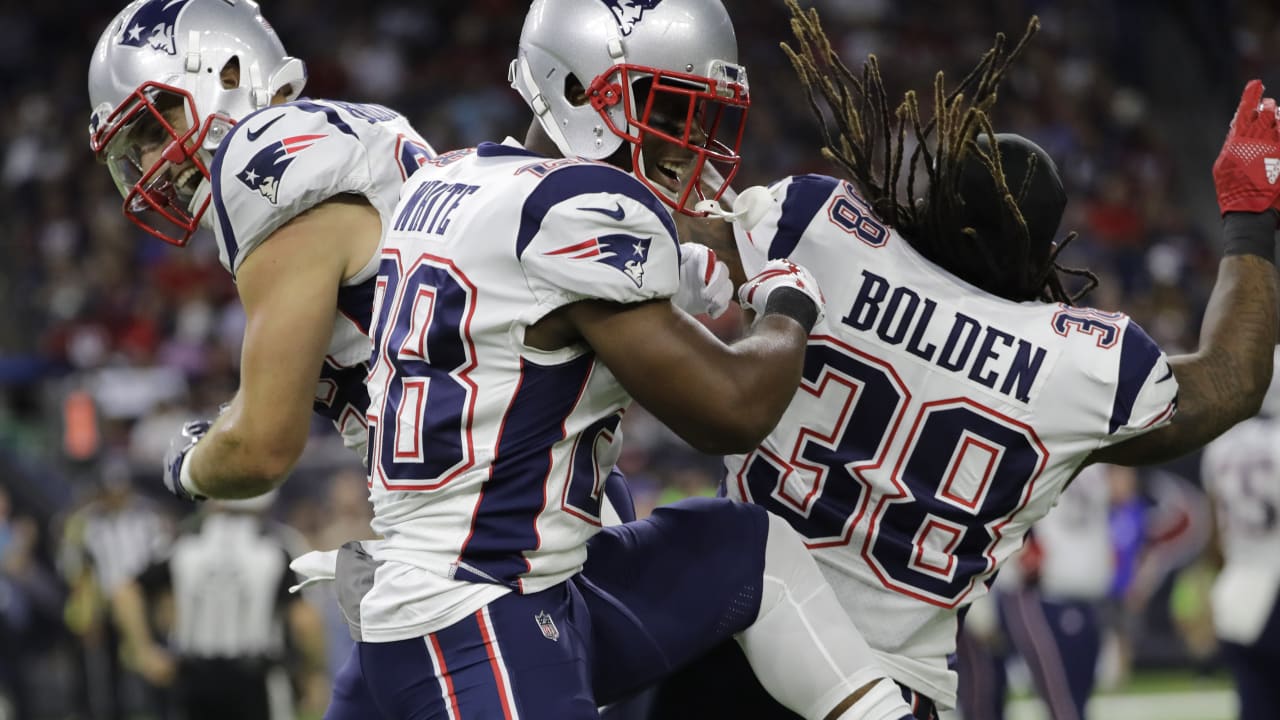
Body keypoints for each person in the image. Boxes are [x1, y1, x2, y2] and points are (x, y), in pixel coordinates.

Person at [647, 2, 1279, 718]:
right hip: (892, 684)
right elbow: (1234, 380)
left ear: (932, 198)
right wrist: (1249, 220)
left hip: (725, 648)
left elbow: (677, 229)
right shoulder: (1080, 362)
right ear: (1043, 252)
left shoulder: (820, 230)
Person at [308, 0, 918, 718]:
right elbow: (733, 409)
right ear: (577, 91)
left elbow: (530, 322)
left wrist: (675, 284)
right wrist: (789, 301)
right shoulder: (572, 205)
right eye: (669, 109)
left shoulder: (448, 179)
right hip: (475, 615)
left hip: (495, 586)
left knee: (746, 550)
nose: (689, 144)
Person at [87, 0, 432, 503]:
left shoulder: (264, 161)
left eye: (156, 127)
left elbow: (261, 450)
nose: (148, 162)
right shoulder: (354, 126)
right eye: (135, 147)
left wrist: (188, 468)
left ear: (228, 73)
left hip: (477, 519)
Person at [111, 493, 328, 720]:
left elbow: (125, 591)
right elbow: (305, 620)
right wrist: (313, 673)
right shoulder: (278, 544)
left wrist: (145, 652)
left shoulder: (184, 540)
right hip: (256, 679)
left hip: (193, 678)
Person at [1201, 351, 1280, 720]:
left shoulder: (1222, 445)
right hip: (1274, 584)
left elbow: (1215, 533)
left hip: (1237, 590)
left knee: (1253, 703)